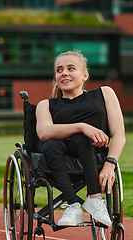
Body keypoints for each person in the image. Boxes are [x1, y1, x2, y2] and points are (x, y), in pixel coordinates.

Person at [35, 50, 126, 227]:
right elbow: (44, 133)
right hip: (57, 156)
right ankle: (73, 204)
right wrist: (82, 126)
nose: (64, 73)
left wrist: (110, 163)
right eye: (59, 70)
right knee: (53, 142)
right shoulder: (46, 105)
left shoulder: (104, 93)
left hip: (94, 155)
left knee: (82, 139)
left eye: (71, 68)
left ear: (85, 75)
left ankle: (94, 198)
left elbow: (119, 135)